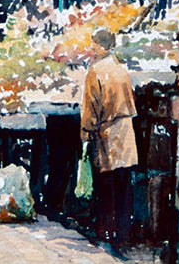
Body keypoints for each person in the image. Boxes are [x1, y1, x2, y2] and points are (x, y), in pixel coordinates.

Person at [79, 28, 138, 251]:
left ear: (101, 45)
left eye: (94, 43)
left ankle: (106, 232)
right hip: (125, 129)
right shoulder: (120, 68)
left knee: (106, 184)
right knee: (124, 183)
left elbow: (91, 107)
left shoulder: (95, 71)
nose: (91, 47)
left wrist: (86, 132)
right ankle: (124, 233)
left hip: (107, 133)